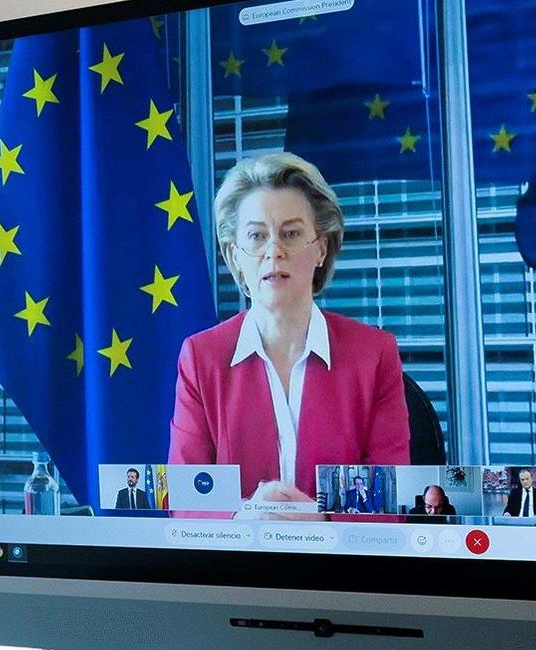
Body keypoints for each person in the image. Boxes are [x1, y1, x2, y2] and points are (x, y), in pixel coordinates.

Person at [168, 153, 410, 512]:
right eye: (256, 236)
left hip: (343, 565)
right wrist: (248, 517)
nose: (273, 251)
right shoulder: (202, 358)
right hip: (234, 565)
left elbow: (391, 502)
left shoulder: (373, 355)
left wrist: (320, 525)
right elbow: (186, 501)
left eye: (291, 234)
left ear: (321, 248)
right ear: (235, 257)